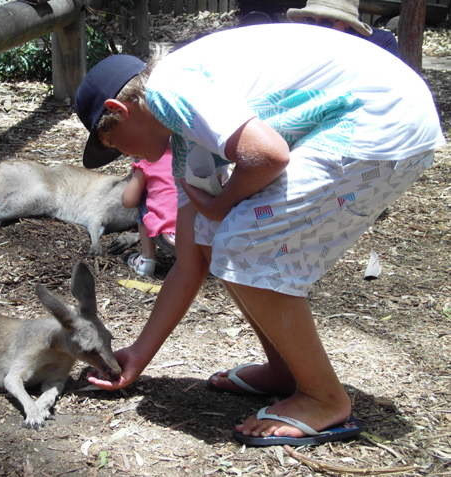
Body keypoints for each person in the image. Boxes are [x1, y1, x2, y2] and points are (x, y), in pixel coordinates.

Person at [74, 23, 444, 446]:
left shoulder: (166, 89)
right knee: (221, 237)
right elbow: (193, 260)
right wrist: (137, 356)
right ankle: (285, 367)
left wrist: (221, 202)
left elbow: (268, 155)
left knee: (243, 240)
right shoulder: (183, 140)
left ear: (119, 110)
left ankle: (323, 397)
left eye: (112, 142)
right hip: (375, 115)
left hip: (381, 118)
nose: (123, 155)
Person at [122, 147, 177, 277]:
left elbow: (128, 201)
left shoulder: (150, 157)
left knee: (142, 196)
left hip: (167, 239)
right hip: (199, 237)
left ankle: (147, 259)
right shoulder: (193, 156)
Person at [287, 0, 399, 56]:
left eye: (325, 23)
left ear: (348, 23)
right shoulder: (299, 41)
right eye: (310, 21)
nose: (316, 28)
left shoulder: (380, 42)